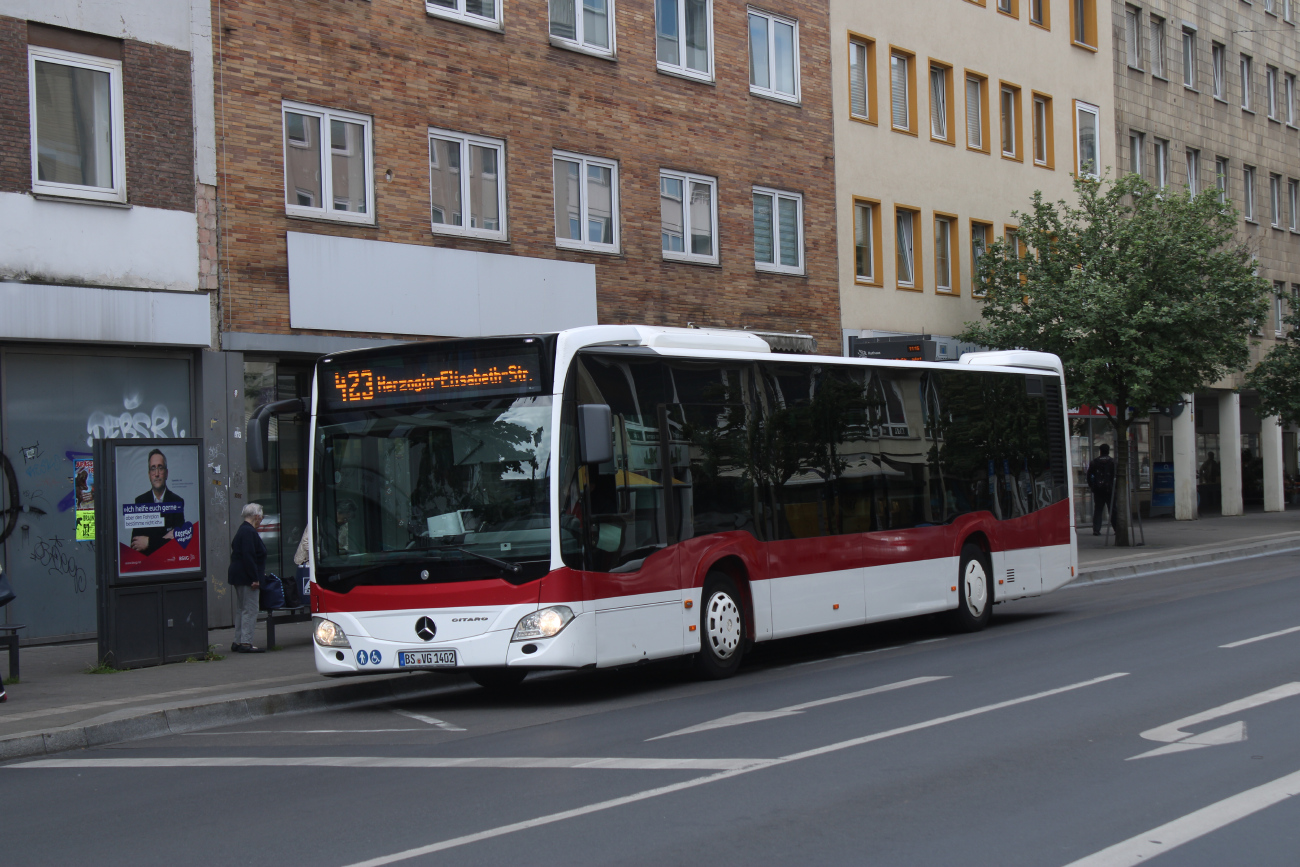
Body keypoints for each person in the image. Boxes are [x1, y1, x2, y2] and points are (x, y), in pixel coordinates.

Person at [226, 502, 267, 653]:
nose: (261, 521)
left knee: (241, 609)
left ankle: (238, 641)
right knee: (250, 609)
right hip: (247, 577)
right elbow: (249, 557)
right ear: (256, 516)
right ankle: (246, 642)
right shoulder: (249, 532)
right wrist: (255, 578)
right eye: (261, 518)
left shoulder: (242, 530)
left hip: (238, 575)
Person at [130, 448, 185, 555]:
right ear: (149, 474)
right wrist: (165, 539)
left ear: (166, 473)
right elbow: (136, 545)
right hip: (147, 566)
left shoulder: (177, 501)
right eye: (153, 468)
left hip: (170, 563)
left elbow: (179, 542)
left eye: (160, 468)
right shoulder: (140, 501)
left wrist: (148, 542)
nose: (157, 474)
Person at [1087, 444, 1118, 536]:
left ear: (1100, 451)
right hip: (1110, 490)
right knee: (1112, 509)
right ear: (1108, 451)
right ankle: (1116, 529)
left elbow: (1089, 476)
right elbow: (1116, 476)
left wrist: (1092, 487)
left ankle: (1096, 529)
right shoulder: (1113, 462)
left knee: (1098, 510)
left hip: (1098, 490)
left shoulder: (1094, 462)